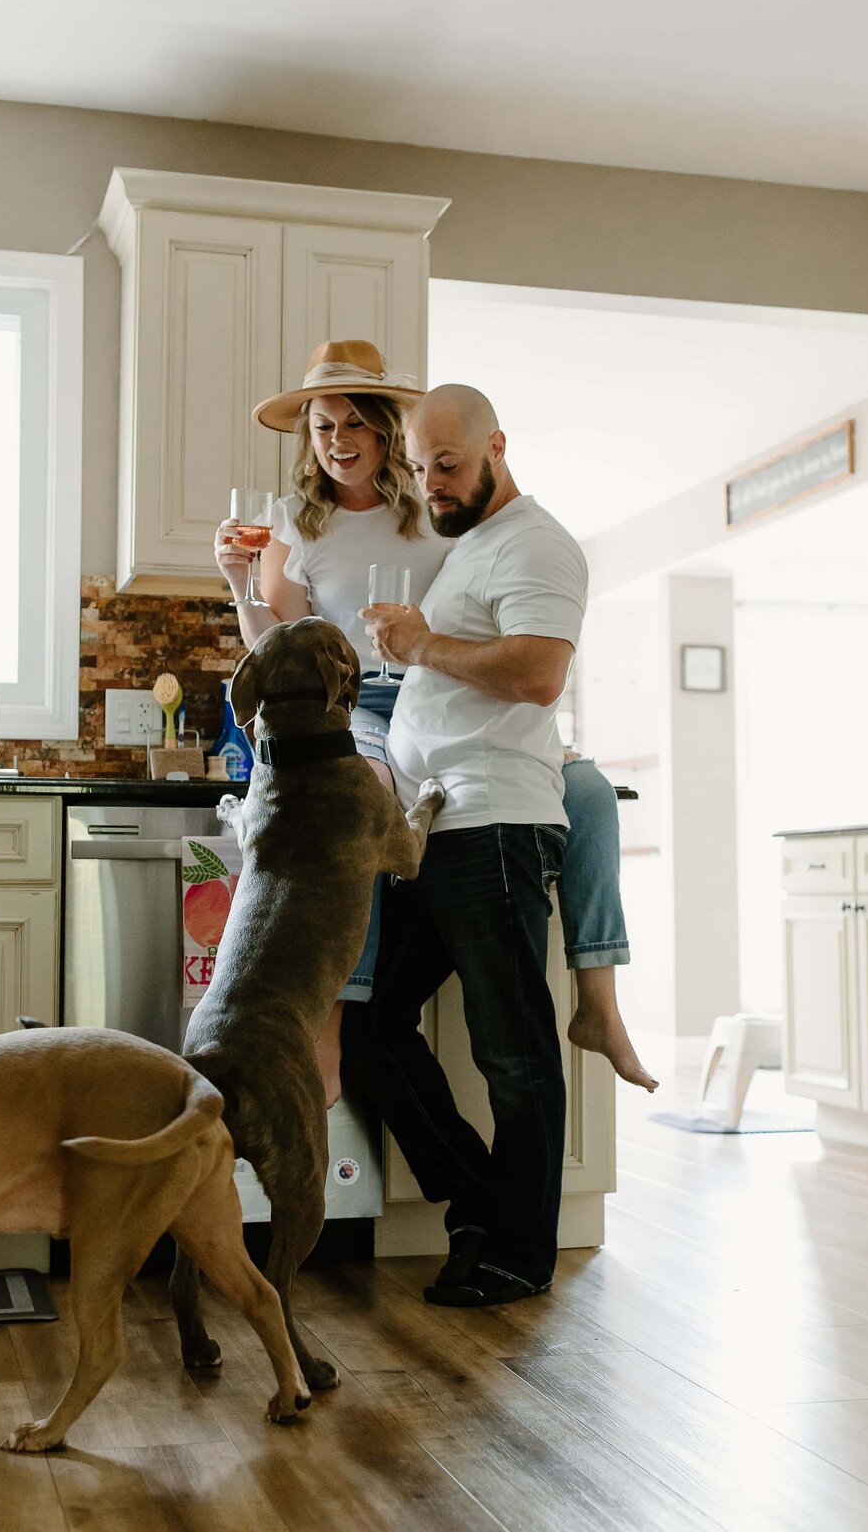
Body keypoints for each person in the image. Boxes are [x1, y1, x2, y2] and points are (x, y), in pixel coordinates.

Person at [214, 342, 655, 1106]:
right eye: (323, 426)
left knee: (589, 795)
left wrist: (529, 731)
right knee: (362, 793)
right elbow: (278, 647)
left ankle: (600, 1000)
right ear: (308, 436)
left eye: (356, 422)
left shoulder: (435, 506)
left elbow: (495, 605)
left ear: (388, 430)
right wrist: (237, 584)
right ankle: (335, 1021)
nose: (339, 440)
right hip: (350, 707)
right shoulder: (293, 522)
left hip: (436, 693)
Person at [346, 383, 607, 1306]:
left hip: (494, 824)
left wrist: (420, 647)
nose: (433, 484)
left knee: (514, 1051)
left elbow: (538, 673)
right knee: (368, 1023)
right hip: (437, 830)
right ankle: (477, 1200)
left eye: (448, 465)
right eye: (421, 469)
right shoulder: (476, 548)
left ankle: (517, 1254)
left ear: (497, 445)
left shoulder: (537, 543)